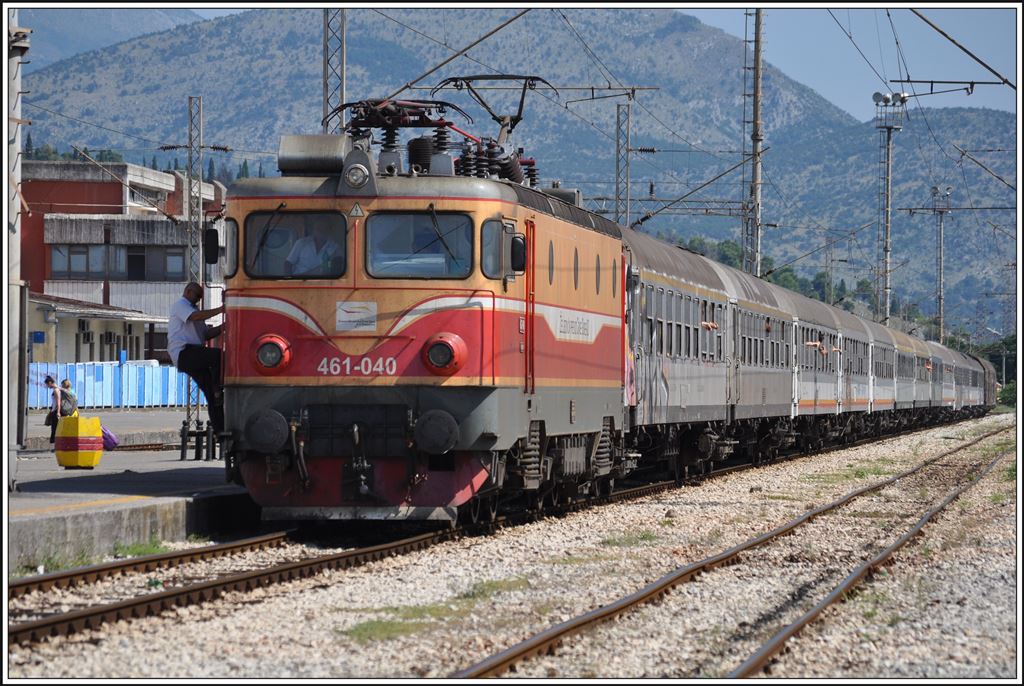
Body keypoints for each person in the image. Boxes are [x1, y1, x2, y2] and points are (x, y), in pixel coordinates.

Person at [168, 282, 225, 434]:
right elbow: (195, 317)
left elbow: (205, 334)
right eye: (197, 295)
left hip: (194, 352)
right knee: (217, 355)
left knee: (211, 395)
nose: (198, 299)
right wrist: (221, 309)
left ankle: (220, 429)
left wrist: (223, 327)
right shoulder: (181, 305)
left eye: (200, 297)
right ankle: (217, 389)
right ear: (188, 291)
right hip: (184, 352)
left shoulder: (194, 310)